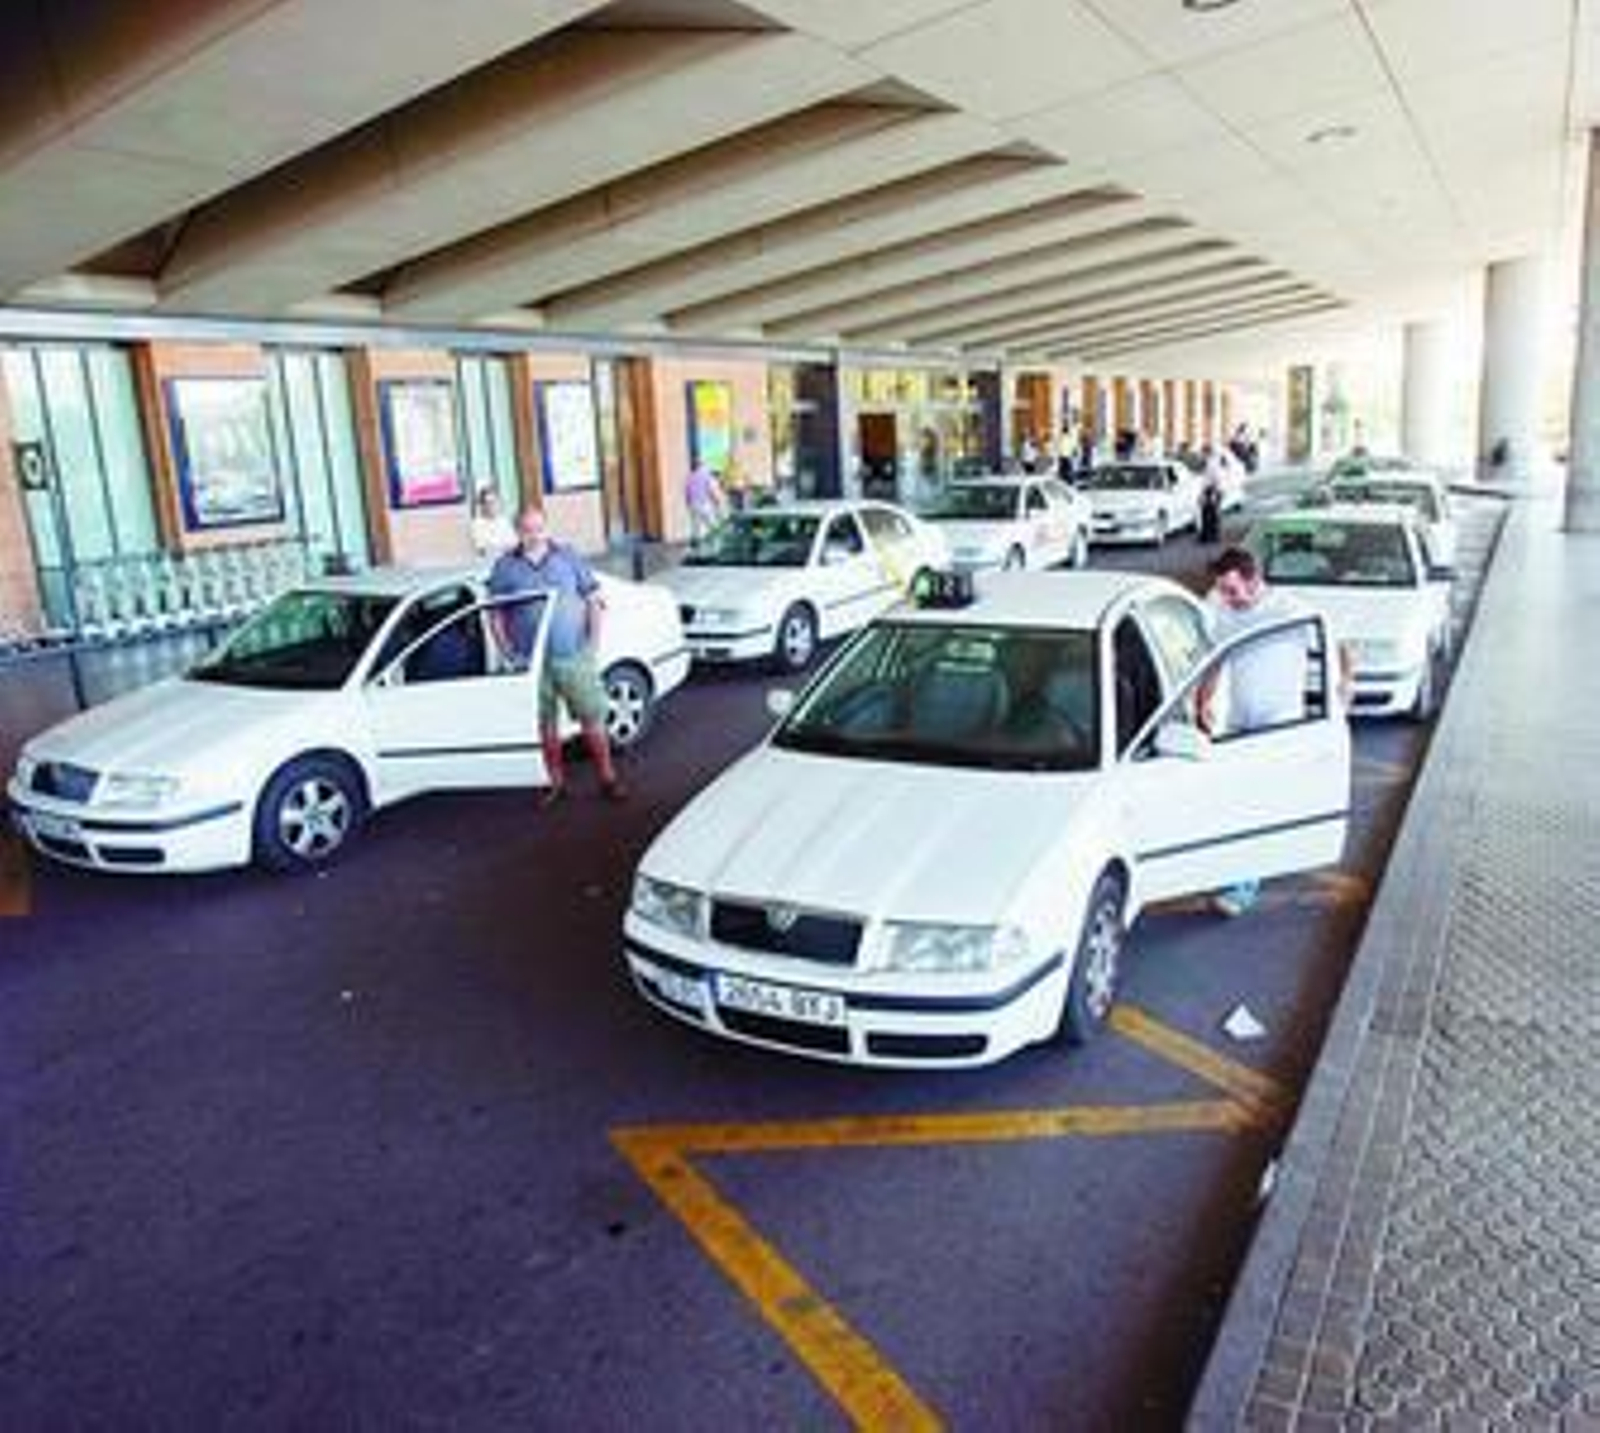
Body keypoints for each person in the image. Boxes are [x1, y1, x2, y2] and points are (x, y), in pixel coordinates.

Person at [1197, 547, 1346, 916]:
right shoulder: (1222, 609)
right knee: (1235, 802)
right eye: (1221, 590)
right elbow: (1217, 657)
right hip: (1238, 722)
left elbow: (1337, 644)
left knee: (1251, 805)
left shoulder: (1289, 611)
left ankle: (1241, 886)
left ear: (1254, 581)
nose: (1226, 598)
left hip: (1278, 726)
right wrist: (1203, 700)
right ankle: (1245, 867)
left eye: (1232, 590)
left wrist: (1345, 685)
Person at [488, 507, 626, 805]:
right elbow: (495, 614)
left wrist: (592, 645)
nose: (534, 535)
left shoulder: (567, 556)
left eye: (539, 528)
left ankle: (608, 779)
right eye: (527, 530)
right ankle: (557, 785)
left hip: (573, 655)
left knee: (592, 719)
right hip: (532, 664)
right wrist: (508, 652)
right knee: (546, 725)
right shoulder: (505, 567)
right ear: (517, 532)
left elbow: (593, 599)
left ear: (547, 528)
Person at [470, 485, 517, 558]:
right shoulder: (477, 525)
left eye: (494, 502)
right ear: (482, 506)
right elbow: (483, 550)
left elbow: (514, 543)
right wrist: (503, 546)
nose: (492, 506)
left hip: (509, 559)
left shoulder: (504, 521)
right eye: (488, 503)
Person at [684, 460, 724, 544]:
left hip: (693, 504)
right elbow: (712, 489)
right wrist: (717, 501)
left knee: (696, 526)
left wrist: (688, 504)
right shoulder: (706, 475)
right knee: (712, 524)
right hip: (703, 503)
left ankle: (696, 543)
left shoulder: (690, 476)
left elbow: (687, 492)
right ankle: (717, 542)